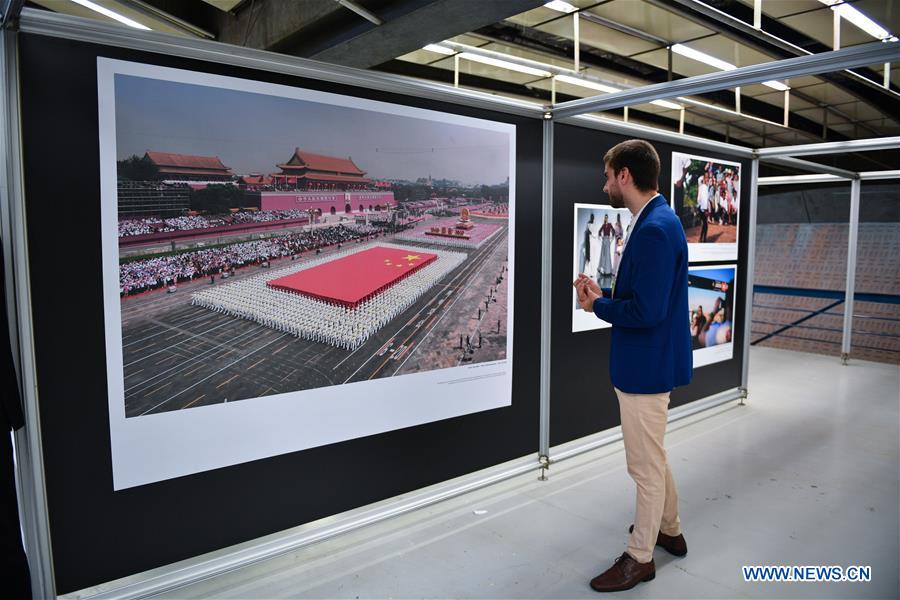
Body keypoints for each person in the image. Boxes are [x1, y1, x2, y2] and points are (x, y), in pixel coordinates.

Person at [573, 139, 692, 593]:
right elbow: (647, 301)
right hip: (648, 362)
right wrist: (603, 298)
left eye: (608, 176)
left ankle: (640, 556)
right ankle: (671, 529)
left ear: (625, 175)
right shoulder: (655, 222)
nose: (605, 184)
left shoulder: (656, 229)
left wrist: (598, 307)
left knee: (642, 466)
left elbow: (647, 312)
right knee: (654, 456)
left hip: (645, 367)